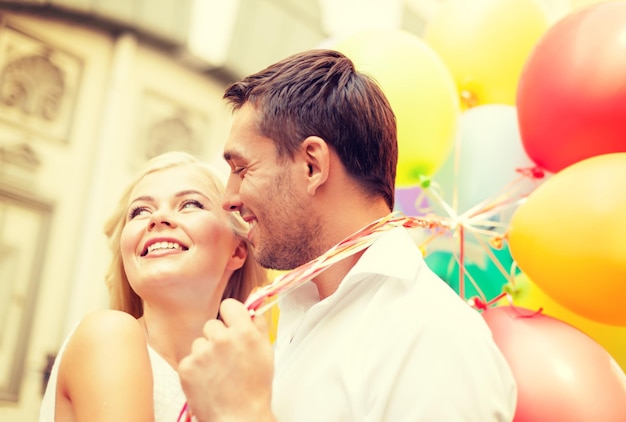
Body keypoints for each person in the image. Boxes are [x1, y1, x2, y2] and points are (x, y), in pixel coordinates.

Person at [178, 49, 517, 421]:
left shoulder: (434, 337)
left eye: (242, 169)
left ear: (312, 165)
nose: (228, 198)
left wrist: (242, 414)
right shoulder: (299, 314)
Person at [39, 151, 267, 421]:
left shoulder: (253, 376)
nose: (157, 218)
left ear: (237, 251)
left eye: (190, 204)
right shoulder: (108, 334)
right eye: (140, 211)